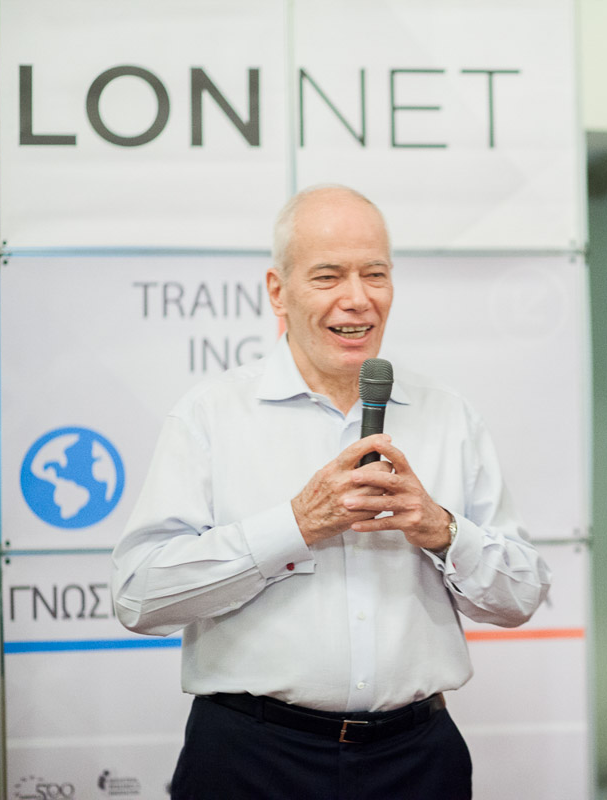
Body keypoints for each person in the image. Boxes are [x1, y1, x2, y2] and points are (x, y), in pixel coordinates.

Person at [111, 184, 551, 800]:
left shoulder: (449, 415)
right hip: (251, 760)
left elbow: (521, 595)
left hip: (416, 760)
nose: (358, 298)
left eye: (375, 273)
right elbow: (139, 597)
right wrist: (295, 525)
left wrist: (441, 530)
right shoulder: (211, 415)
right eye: (328, 276)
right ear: (278, 291)